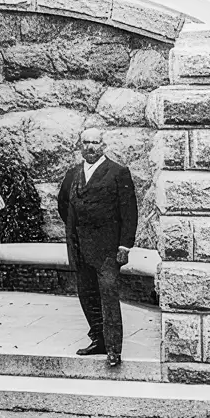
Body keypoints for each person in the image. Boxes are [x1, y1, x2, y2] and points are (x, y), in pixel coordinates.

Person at [55, 126, 137, 367]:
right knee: (87, 295)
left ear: (103, 146)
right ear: (80, 146)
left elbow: (129, 211)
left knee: (108, 297)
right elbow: (63, 204)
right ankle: (98, 340)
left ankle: (113, 350)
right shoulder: (73, 174)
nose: (90, 147)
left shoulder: (118, 172)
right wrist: (78, 229)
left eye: (95, 143)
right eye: (86, 143)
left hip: (107, 249)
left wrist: (125, 246)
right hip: (80, 246)